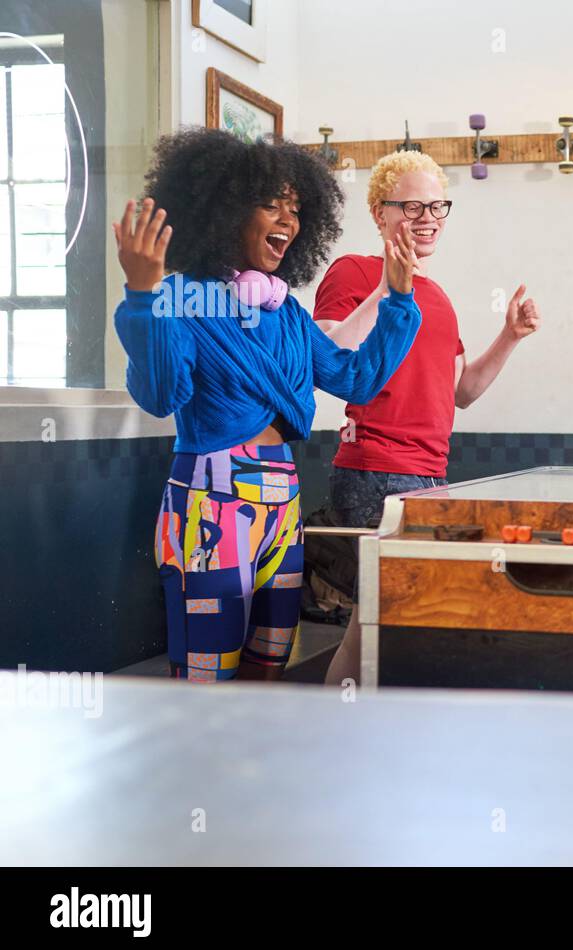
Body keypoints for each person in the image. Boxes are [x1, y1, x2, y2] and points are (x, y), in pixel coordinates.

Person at [112, 127, 422, 681]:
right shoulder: (178, 300)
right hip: (211, 504)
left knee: (269, 666)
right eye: (270, 205)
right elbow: (160, 394)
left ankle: (257, 771)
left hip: (283, 509)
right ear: (225, 212)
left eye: (296, 209)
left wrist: (398, 301)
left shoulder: (287, 314)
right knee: (209, 675)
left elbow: (358, 380)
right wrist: (143, 295)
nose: (288, 221)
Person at [310, 150, 540, 686]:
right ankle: (337, 730)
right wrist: (389, 287)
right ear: (379, 213)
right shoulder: (353, 271)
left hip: (427, 478)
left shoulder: (438, 297)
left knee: (390, 621)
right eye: (411, 206)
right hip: (373, 471)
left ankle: (360, 731)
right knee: (378, 620)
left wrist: (510, 337)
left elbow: (463, 391)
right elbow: (329, 355)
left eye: (437, 206)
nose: (427, 217)